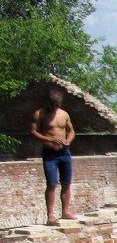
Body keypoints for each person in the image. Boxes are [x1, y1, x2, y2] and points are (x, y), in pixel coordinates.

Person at [29, 90, 76, 227]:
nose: (56, 107)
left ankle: (65, 212)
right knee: (52, 184)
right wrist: (48, 138)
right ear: (48, 102)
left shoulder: (64, 114)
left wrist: (68, 140)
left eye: (58, 104)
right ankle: (50, 215)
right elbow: (32, 131)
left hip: (64, 152)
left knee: (66, 183)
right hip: (50, 153)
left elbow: (71, 131)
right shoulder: (39, 114)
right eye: (53, 104)